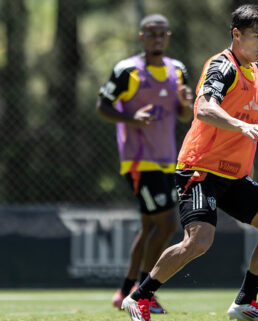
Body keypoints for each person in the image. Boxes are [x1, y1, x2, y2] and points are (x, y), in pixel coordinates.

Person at [121, 4, 258, 321]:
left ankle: (245, 302)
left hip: (235, 176)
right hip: (200, 171)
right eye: (256, 36)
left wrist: (247, 170)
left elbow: (245, 132)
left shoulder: (256, 74)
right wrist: (241, 125)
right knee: (199, 241)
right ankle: (140, 297)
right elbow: (203, 108)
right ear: (236, 34)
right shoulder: (221, 66)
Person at [96, 13, 193, 315]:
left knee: (151, 225)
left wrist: (186, 103)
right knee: (167, 223)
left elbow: (184, 116)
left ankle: (126, 290)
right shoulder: (127, 70)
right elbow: (103, 106)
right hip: (138, 161)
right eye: (151, 33)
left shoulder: (177, 70)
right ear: (141, 37)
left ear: (169, 36)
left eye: (162, 33)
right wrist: (131, 118)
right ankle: (143, 292)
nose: (157, 38)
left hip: (167, 160)